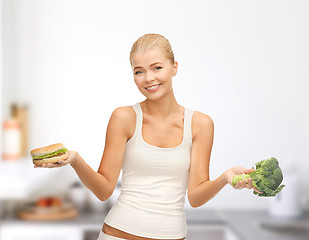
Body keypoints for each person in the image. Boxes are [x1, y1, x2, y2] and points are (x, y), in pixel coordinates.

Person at [36, 33, 261, 240]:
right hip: (118, 234)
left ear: (174, 67)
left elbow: (195, 197)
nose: (148, 78)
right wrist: (75, 159)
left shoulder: (201, 124)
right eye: (139, 71)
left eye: (157, 68)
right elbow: (104, 190)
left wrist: (224, 178)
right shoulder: (124, 117)